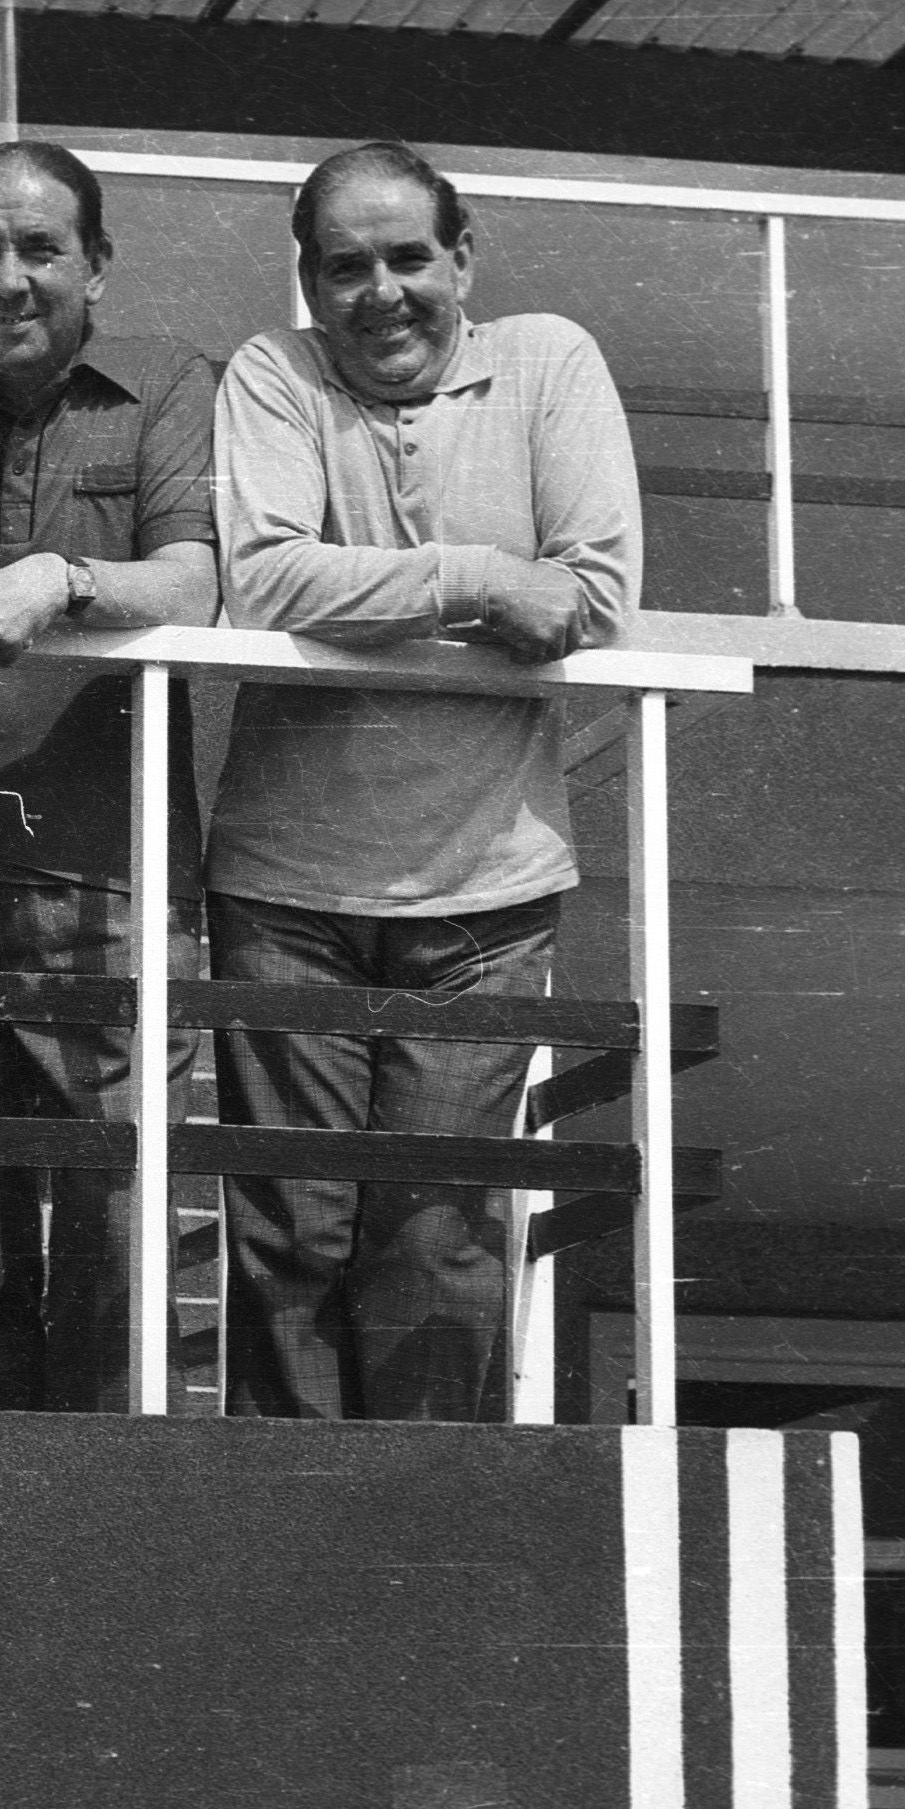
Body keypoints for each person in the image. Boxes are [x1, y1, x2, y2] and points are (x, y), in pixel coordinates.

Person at [209, 140, 641, 1421]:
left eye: (409, 258)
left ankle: (426, 1538)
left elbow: (595, 594)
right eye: (345, 267)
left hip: (483, 892)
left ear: (464, 257)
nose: (381, 292)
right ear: (307, 279)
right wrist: (477, 579)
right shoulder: (270, 375)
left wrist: (408, 593)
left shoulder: (547, 360)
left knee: (435, 1237)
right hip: (286, 889)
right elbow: (269, 578)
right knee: (288, 1232)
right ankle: (286, 1538)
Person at [0, 141, 221, 1414]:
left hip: (107, 885)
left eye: (39, 248)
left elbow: (193, 579)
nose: (7, 278)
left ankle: (114, 1544)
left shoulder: (166, 389)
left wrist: (60, 580)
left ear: (96, 266)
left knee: (123, 1225)